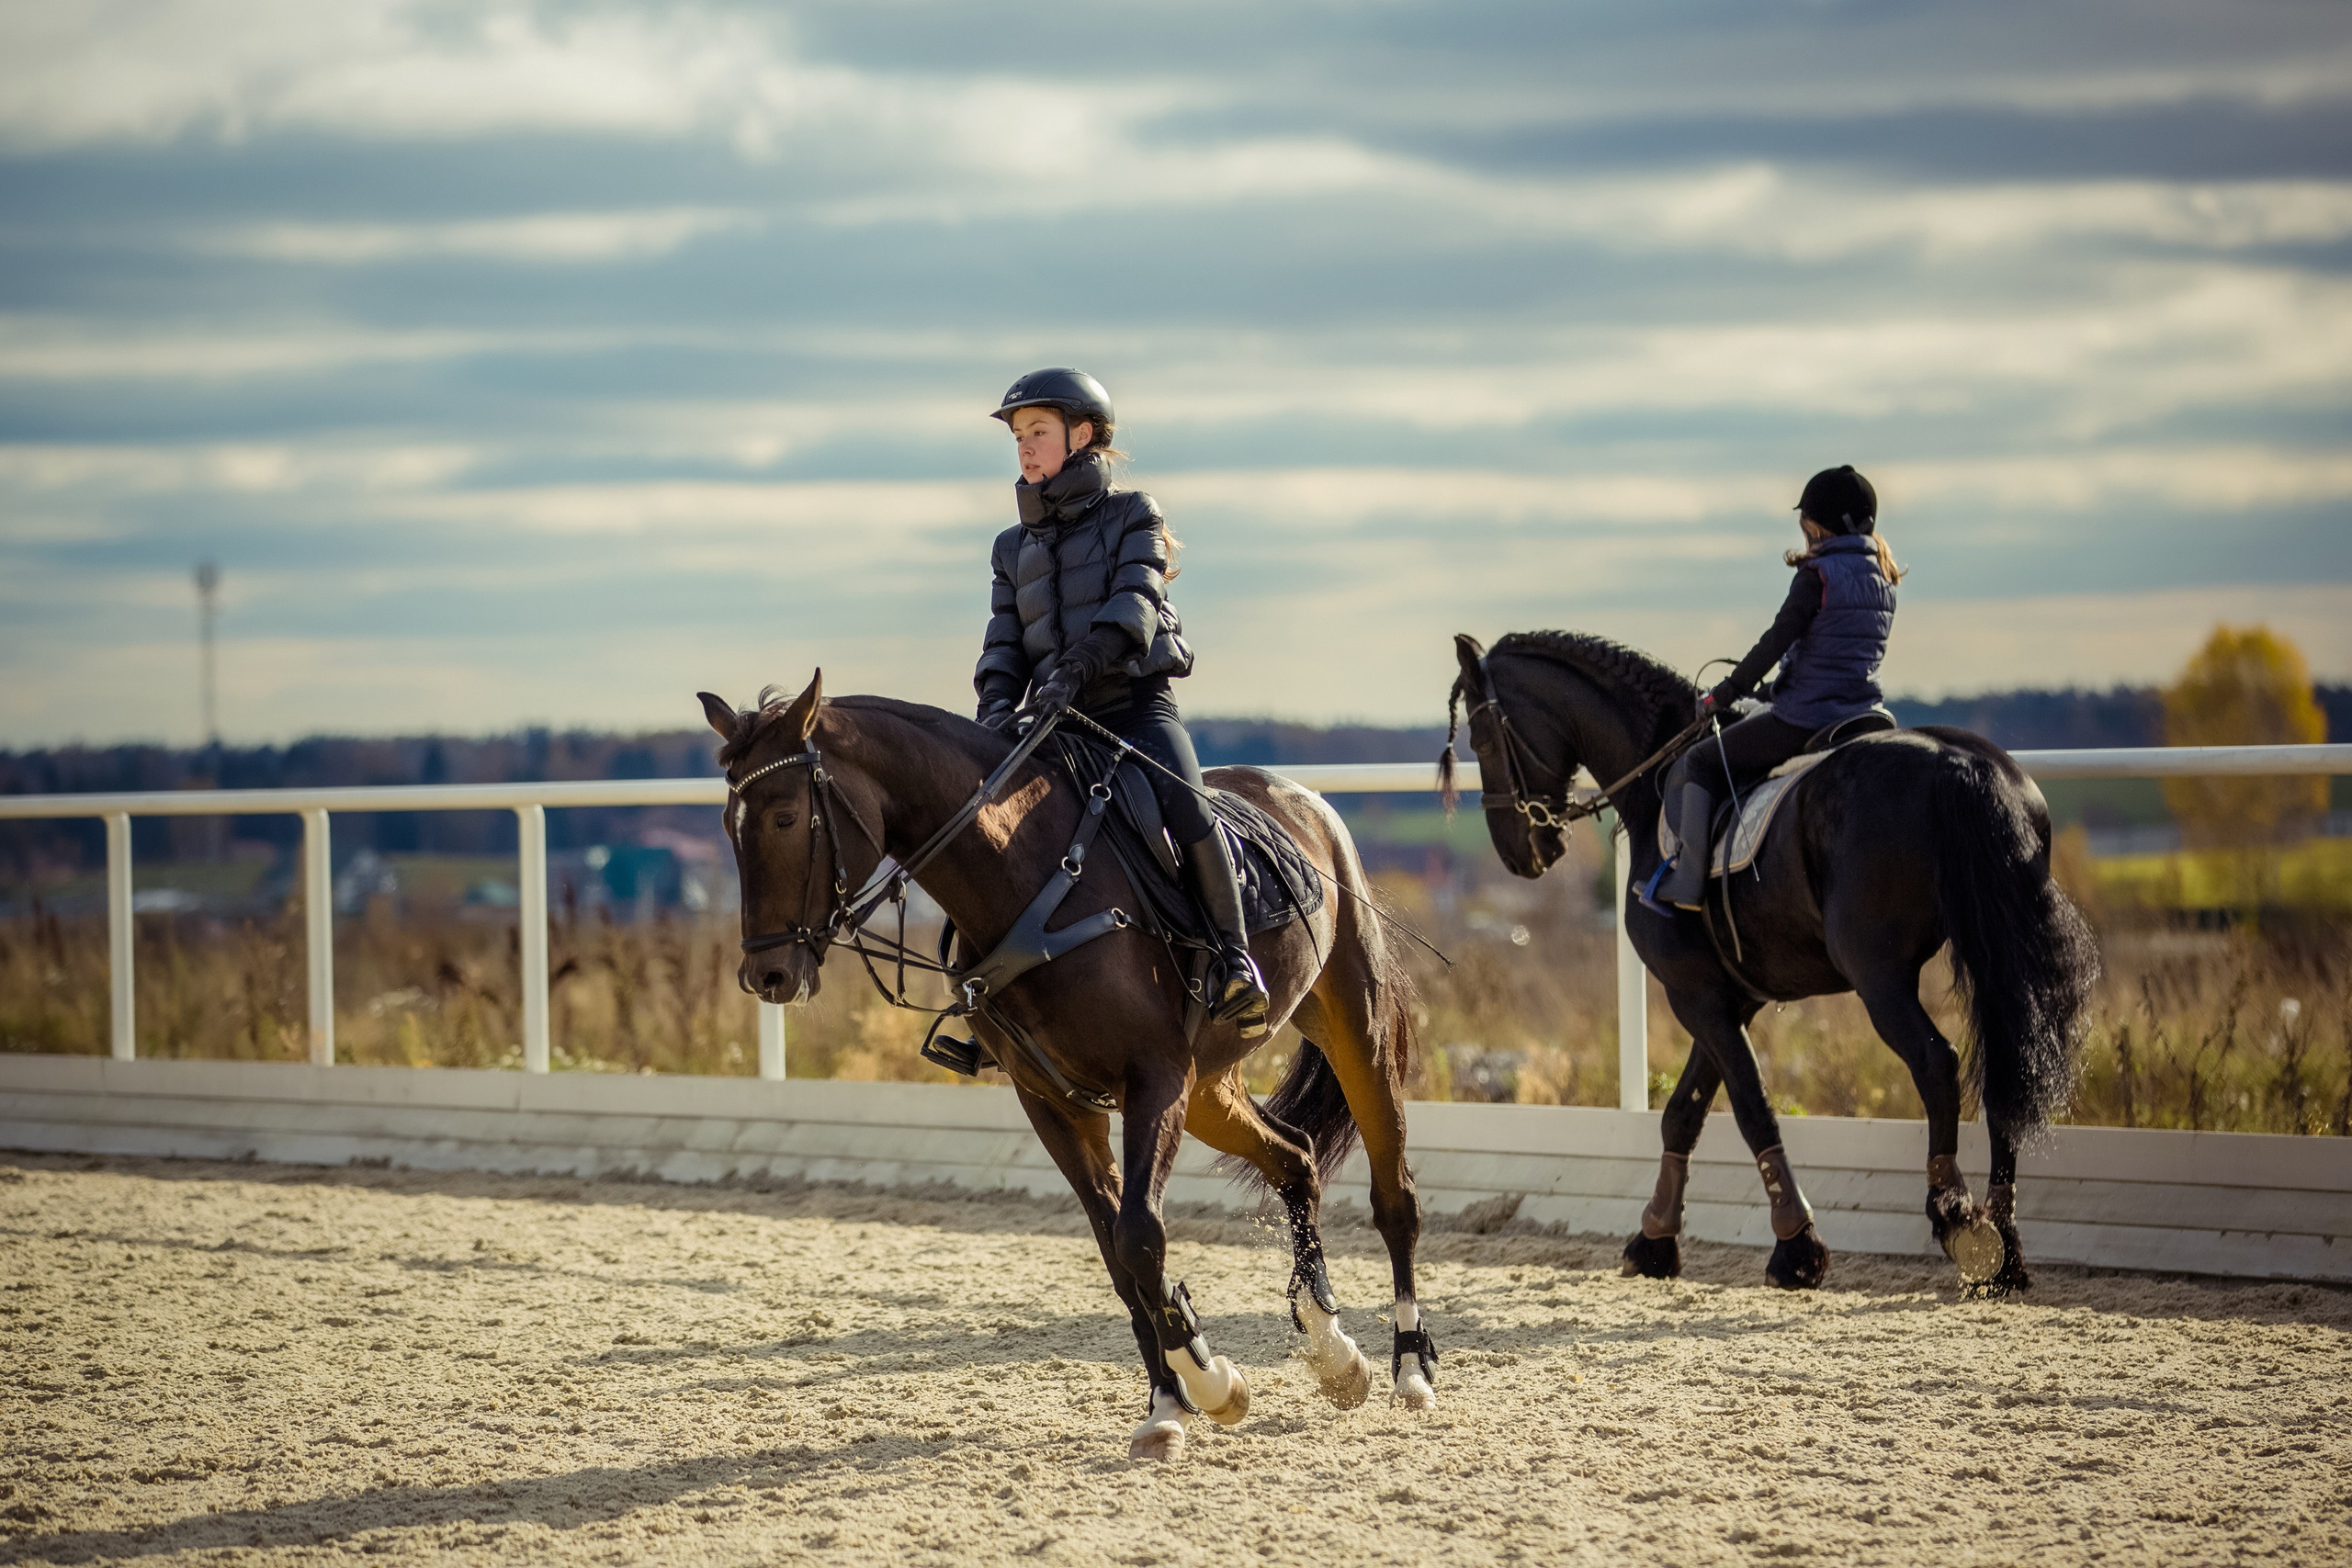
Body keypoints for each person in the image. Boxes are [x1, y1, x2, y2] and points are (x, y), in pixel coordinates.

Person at [972, 367, 1270, 1037]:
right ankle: (984, 1001)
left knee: (1187, 806)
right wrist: (992, 719)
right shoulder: (1010, 547)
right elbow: (1003, 644)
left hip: (1134, 709)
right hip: (1055, 723)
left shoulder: (1136, 513)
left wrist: (1075, 671)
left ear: (1082, 435)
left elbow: (1134, 607)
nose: (1025, 447)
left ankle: (1234, 959)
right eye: (1018, 436)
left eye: (1038, 431)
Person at [1649, 465, 1903, 912]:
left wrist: (1724, 694)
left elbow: (1774, 643)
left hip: (1807, 719)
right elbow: (1834, 656)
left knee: (1702, 761)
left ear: (1816, 526)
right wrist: (1768, 693)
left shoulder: (1817, 575)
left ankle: (1687, 882)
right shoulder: (1884, 574)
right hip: (1863, 714)